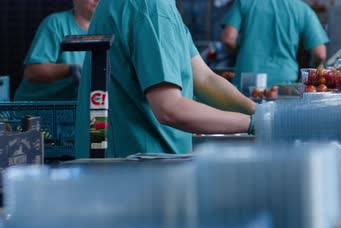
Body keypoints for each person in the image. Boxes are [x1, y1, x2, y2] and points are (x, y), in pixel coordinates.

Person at [75, 0, 255, 158]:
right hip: (135, 166)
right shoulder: (152, 8)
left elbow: (204, 79)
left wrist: (260, 112)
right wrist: (252, 124)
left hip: (129, 163)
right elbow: (169, 108)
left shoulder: (161, 8)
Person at [221, 0, 329, 87]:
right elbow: (320, 54)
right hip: (283, 81)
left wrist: (243, 55)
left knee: (244, 113)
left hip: (247, 77)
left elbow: (228, 39)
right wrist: (311, 71)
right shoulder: (303, 10)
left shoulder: (244, 2)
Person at [14, 0, 99, 101]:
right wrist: (69, 69)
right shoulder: (56, 23)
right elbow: (32, 72)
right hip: (37, 111)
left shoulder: (107, 29)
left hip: (78, 109)